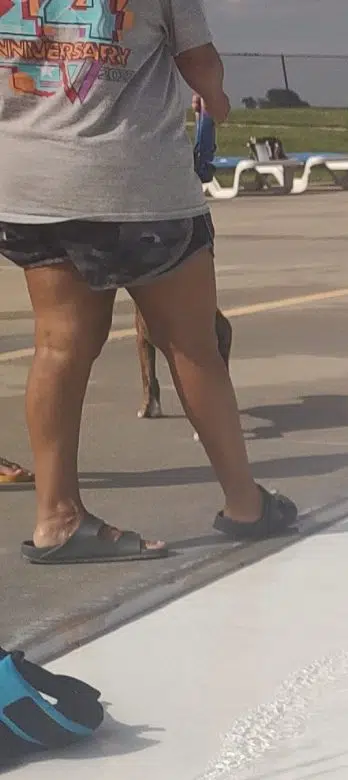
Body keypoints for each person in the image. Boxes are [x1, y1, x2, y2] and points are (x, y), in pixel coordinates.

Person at [1, 0, 298, 563]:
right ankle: (244, 503)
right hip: (136, 183)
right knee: (191, 343)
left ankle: (57, 517)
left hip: (28, 184)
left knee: (57, 344)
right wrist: (217, 101)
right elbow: (200, 62)